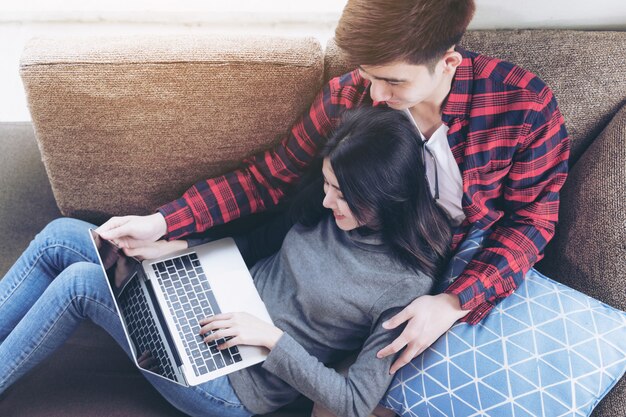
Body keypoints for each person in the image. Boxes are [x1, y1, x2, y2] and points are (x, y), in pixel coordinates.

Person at [98, 0, 570, 384]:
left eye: (394, 81)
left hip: (429, 280)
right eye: (370, 75)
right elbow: (268, 179)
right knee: (78, 247)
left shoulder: (522, 106)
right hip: (326, 269)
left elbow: (532, 220)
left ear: (447, 63)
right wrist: (162, 222)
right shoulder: (348, 96)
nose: (377, 97)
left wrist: (452, 302)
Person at [0, 107, 452, 417]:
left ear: (387, 197)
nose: (326, 198)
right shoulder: (333, 211)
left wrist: (273, 340)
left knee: (83, 284)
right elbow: (257, 244)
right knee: (66, 234)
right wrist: (181, 249)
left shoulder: (404, 285)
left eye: (342, 194)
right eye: (328, 183)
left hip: (235, 384)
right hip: (210, 293)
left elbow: (354, 401)